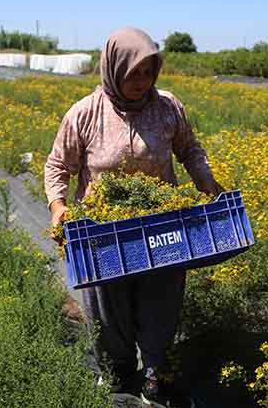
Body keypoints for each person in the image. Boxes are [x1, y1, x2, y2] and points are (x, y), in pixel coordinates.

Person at [45, 27, 223, 407]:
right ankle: (119, 374)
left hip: (160, 224)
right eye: (133, 73)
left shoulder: (168, 107)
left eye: (149, 71)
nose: (142, 81)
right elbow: (58, 166)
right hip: (103, 231)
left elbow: (189, 149)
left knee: (162, 300)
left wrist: (208, 184)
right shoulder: (85, 113)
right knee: (109, 306)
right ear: (113, 69)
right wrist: (58, 206)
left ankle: (156, 375)